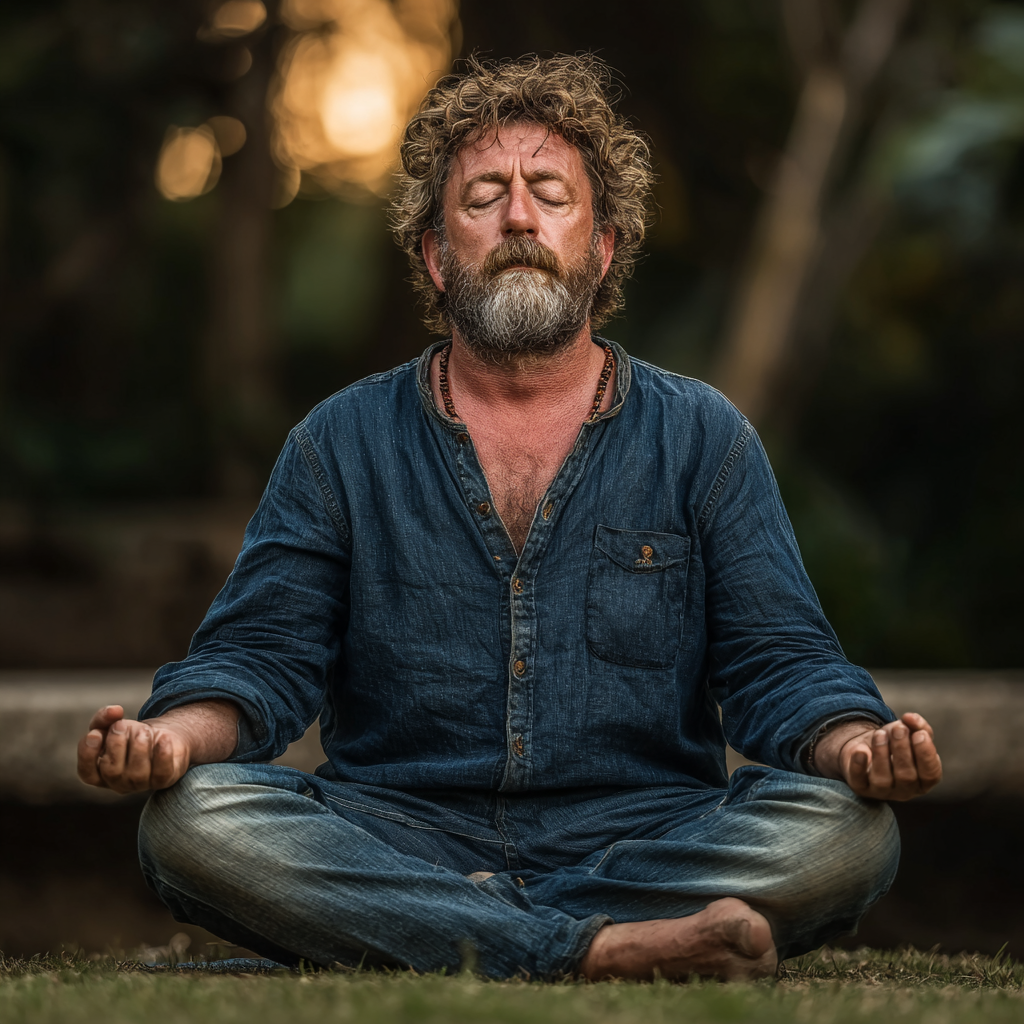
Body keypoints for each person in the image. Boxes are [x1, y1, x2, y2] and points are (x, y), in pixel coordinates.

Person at [77, 54, 942, 981]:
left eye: (550, 195)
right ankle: (597, 949)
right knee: (191, 823)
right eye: (485, 195)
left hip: (646, 837)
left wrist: (860, 747)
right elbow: (257, 660)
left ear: (602, 247)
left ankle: (450, 936)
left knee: (849, 833)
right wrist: (172, 740)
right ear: (437, 255)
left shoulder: (703, 437)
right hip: (400, 834)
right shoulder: (339, 442)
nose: (519, 217)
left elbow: (780, 664)